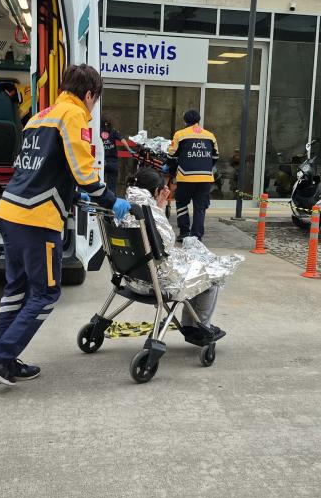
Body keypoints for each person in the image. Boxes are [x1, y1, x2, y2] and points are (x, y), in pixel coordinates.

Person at [0, 65, 131, 386]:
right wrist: (109, 199)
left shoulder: (39, 117)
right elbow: (83, 171)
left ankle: (3, 361)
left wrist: (72, 195)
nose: (93, 108)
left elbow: (38, 168)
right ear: (89, 94)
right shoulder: (72, 116)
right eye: (95, 100)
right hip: (37, 218)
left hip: (10, 211)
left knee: (16, 290)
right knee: (45, 293)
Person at [123, 167, 237, 346]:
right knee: (213, 276)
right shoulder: (150, 214)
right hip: (154, 284)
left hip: (131, 278)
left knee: (196, 265)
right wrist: (160, 206)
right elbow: (166, 244)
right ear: (156, 191)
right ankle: (200, 327)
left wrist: (158, 204)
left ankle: (191, 324)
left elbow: (154, 244)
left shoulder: (125, 208)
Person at [168, 110, 218, 242]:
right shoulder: (210, 136)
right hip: (205, 178)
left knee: (182, 204)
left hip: (186, 177)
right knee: (200, 207)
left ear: (185, 121)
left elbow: (171, 155)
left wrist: (171, 167)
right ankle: (196, 236)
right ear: (198, 120)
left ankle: (184, 233)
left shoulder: (180, 134)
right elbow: (215, 157)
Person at [100, 116, 128, 193]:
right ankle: (111, 199)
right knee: (112, 187)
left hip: (101, 163)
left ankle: (99, 199)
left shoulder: (98, 131)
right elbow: (123, 140)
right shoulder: (113, 131)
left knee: (99, 185)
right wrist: (129, 149)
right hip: (113, 163)